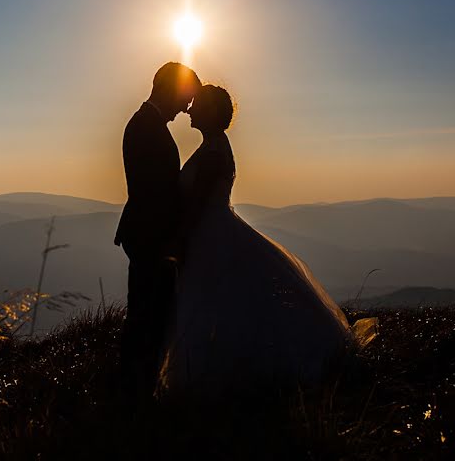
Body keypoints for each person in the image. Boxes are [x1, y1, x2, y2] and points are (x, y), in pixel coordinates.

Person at [158, 85, 370, 396]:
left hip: (209, 235)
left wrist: (178, 242)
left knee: (216, 303)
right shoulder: (215, 146)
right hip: (215, 232)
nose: (189, 110)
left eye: (196, 105)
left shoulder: (214, 152)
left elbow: (196, 206)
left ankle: (213, 377)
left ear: (211, 111)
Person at [115, 61, 202, 399]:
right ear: (171, 90)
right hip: (151, 237)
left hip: (149, 234)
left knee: (147, 313)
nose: (187, 108)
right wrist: (172, 239)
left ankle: (138, 385)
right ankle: (135, 390)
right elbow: (152, 193)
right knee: (144, 315)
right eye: (186, 98)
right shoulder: (144, 127)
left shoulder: (146, 124)